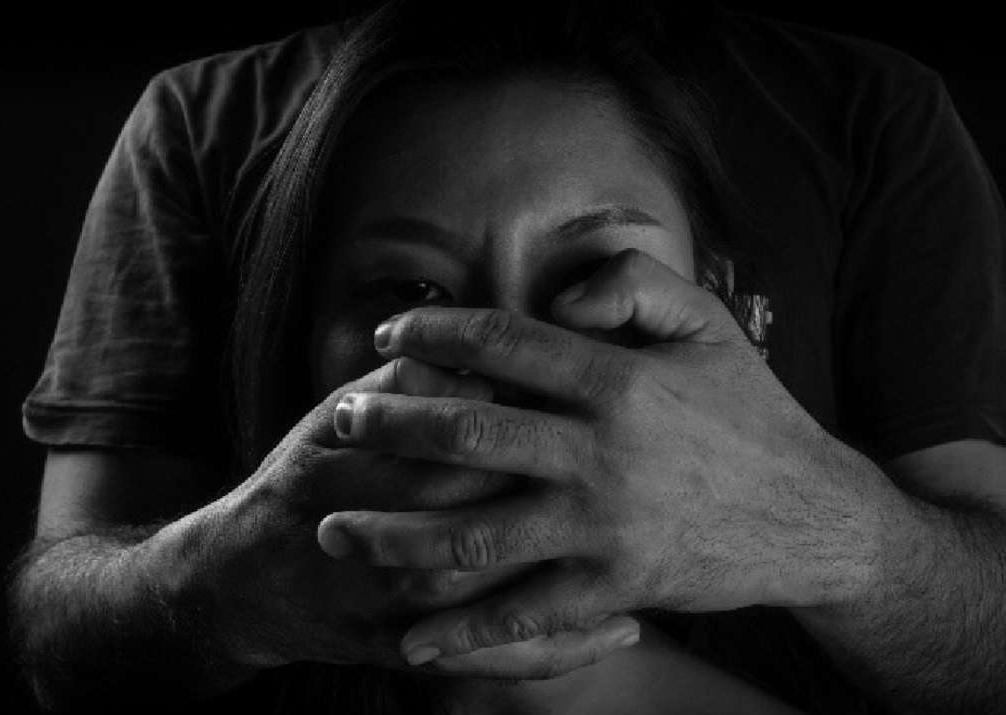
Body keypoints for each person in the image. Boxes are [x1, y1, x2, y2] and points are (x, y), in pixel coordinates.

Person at [11, 1, 1005, 714]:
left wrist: (817, 526)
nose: (510, 363)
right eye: (414, 292)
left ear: (714, 290)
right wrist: (230, 581)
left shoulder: (871, 111)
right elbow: (58, 643)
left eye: (594, 275)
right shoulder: (200, 119)